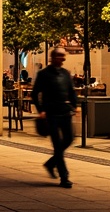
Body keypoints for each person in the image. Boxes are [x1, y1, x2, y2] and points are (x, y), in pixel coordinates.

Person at [32, 46, 77, 188]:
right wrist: (41, 110)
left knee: (69, 139)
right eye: (60, 56)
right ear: (52, 57)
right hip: (51, 113)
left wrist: (75, 106)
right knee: (57, 145)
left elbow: (71, 91)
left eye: (64, 56)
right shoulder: (44, 74)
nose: (63, 58)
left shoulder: (65, 73)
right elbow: (35, 93)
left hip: (65, 112)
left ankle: (51, 163)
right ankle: (64, 177)